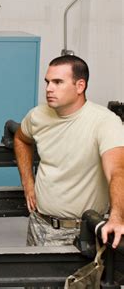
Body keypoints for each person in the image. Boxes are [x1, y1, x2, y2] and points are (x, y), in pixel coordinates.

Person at [14, 55, 124, 247]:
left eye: (57, 82)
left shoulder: (105, 122)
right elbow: (20, 139)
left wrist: (116, 218)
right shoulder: (37, 116)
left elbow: (118, 171)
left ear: (80, 86)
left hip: (81, 232)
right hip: (39, 224)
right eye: (47, 82)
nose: (49, 89)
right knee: (32, 277)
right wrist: (27, 180)